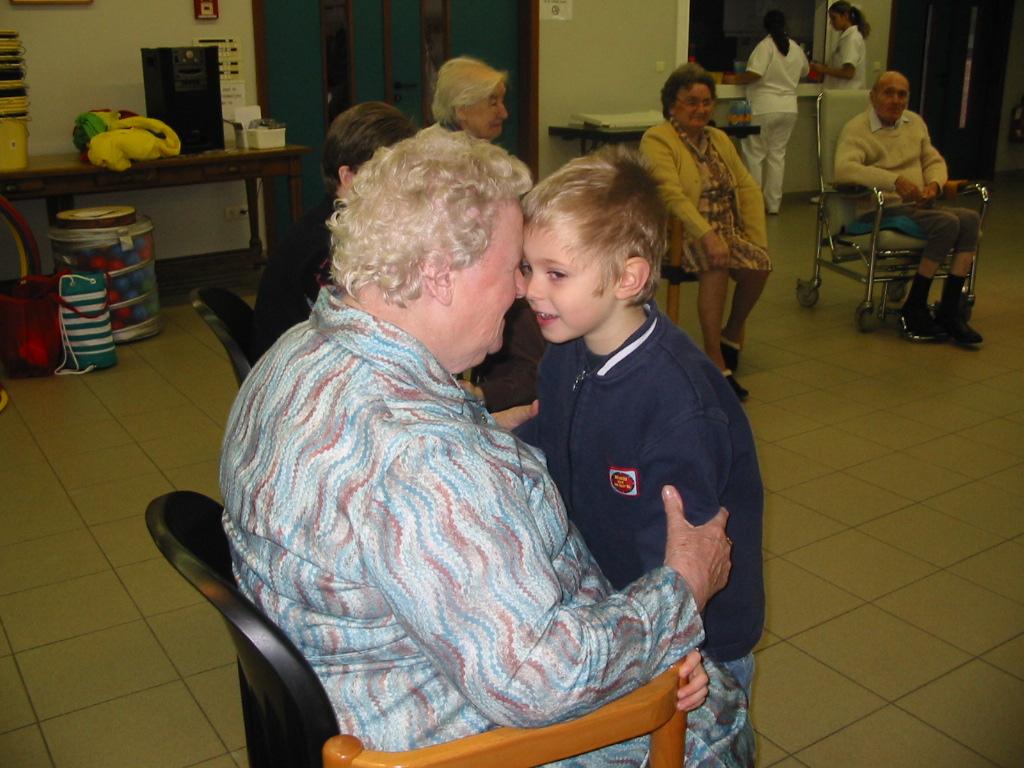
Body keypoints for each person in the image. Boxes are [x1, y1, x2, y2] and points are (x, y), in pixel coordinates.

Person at [220, 129, 746, 766]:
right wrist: (682, 588)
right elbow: (537, 681)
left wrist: (486, 435)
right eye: (511, 269)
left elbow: (378, 489)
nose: (522, 291)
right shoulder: (421, 460)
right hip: (457, 739)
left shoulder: (294, 356)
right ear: (442, 277)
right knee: (714, 719)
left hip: (370, 687)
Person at [515, 146, 762, 761]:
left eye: (555, 273)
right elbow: (552, 443)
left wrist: (680, 653)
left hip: (700, 635)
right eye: (527, 268)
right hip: (617, 597)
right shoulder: (569, 350)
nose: (530, 291)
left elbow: (690, 553)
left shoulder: (677, 405)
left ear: (627, 277)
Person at [640, 63, 771, 401]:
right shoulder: (657, 139)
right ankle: (715, 356)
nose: (700, 109)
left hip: (725, 228)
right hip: (681, 232)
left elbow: (746, 187)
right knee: (717, 263)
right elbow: (671, 195)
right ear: (672, 105)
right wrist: (707, 235)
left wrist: (756, 239)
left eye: (707, 102)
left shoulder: (719, 138)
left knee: (760, 265)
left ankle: (732, 330)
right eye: (691, 101)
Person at [250, 102, 415, 360]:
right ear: (348, 177)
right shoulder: (327, 247)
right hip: (304, 368)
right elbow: (359, 334)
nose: (405, 186)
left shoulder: (335, 221)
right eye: (389, 174)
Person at [427, 54, 545, 410]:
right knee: (534, 330)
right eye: (493, 101)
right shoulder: (442, 162)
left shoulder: (453, 150)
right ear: (462, 110)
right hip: (458, 280)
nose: (504, 112)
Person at [834, 70, 982, 345]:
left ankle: (949, 310)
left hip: (920, 207)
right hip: (881, 210)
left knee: (971, 219)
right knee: (948, 223)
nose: (896, 100)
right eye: (888, 92)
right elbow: (844, 169)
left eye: (902, 94)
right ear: (873, 96)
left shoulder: (915, 123)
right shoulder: (857, 129)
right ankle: (915, 305)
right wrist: (894, 181)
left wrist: (934, 186)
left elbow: (933, 160)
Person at [724, 11, 809, 215]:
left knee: (754, 156)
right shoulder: (796, 48)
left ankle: (754, 205)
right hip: (788, 108)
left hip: (764, 107)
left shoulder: (765, 46)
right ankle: (773, 205)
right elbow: (805, 71)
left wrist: (733, 80)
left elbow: (755, 73)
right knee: (777, 156)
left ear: (766, 26)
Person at [809, 1, 870, 90]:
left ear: (845, 16)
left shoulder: (852, 38)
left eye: (834, 18)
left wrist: (823, 69)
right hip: (840, 93)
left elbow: (848, 73)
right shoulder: (846, 37)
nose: (831, 23)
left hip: (847, 94)